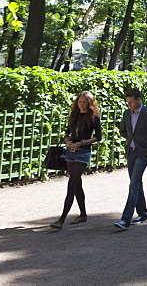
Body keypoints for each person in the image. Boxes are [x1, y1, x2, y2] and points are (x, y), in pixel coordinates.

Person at [115, 88, 147, 230]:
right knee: (136, 183)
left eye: (131, 102)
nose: (129, 105)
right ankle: (143, 213)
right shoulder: (127, 114)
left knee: (134, 184)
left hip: (142, 152)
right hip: (130, 152)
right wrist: (129, 140)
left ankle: (125, 219)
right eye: (127, 102)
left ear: (138, 99)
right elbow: (123, 130)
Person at [50, 91, 102, 229]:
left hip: (83, 152)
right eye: (80, 101)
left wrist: (82, 143)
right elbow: (67, 133)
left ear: (90, 103)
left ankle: (61, 220)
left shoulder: (94, 117)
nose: (82, 104)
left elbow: (98, 137)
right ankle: (83, 214)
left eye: (85, 102)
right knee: (77, 183)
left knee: (71, 184)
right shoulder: (73, 115)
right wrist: (68, 141)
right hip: (70, 152)